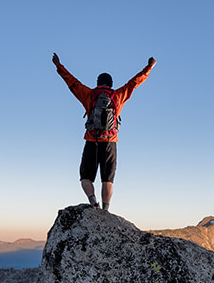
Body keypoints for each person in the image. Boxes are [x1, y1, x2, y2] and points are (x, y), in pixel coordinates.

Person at [53, 52, 156, 211]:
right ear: (111, 84)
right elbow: (134, 83)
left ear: (98, 83)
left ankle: (93, 202)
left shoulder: (89, 94)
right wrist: (148, 68)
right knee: (107, 180)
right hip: (110, 142)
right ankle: (105, 210)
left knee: (86, 177)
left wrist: (59, 66)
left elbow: (72, 82)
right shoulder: (118, 95)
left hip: (91, 140)